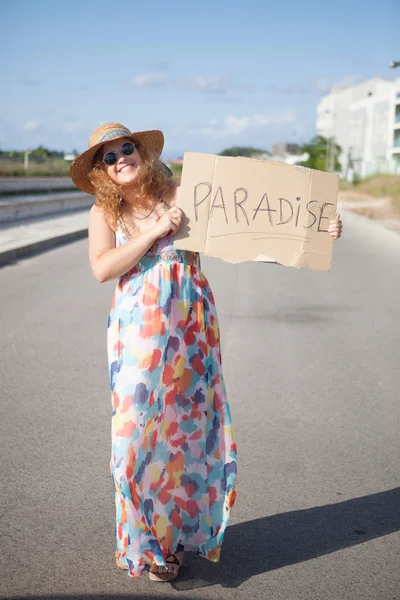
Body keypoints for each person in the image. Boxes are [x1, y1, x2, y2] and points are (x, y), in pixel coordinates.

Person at [70, 122, 342, 583]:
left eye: (126, 147)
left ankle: (172, 542)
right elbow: (102, 268)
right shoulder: (104, 211)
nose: (120, 158)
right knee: (133, 435)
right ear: (100, 170)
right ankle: (140, 540)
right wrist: (152, 231)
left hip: (191, 328)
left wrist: (313, 231)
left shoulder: (182, 192)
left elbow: (251, 236)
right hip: (137, 331)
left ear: (142, 151)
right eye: (108, 156)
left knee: (183, 433)